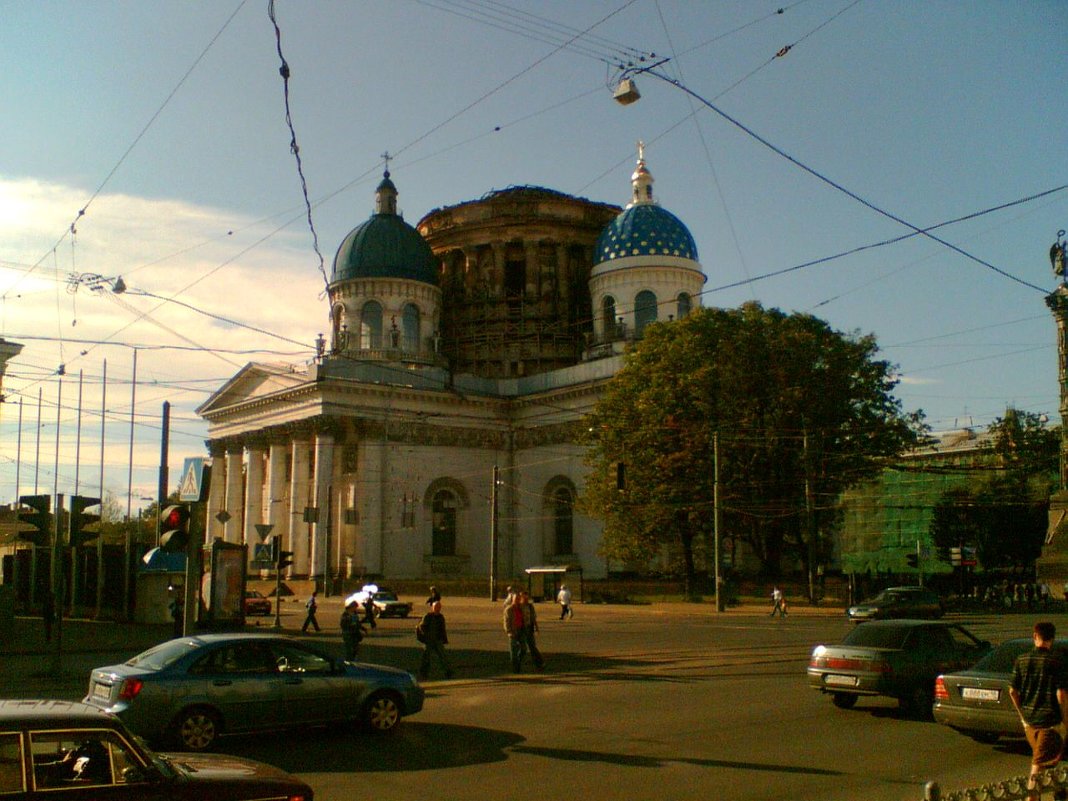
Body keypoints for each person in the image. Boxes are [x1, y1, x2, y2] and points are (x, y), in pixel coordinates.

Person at [1009, 621, 1068, 801]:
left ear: (1035, 636)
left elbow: (1013, 691)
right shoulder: (1057, 661)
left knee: (1047, 761)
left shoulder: (1022, 659)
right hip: (1049, 724)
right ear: (1052, 639)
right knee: (1037, 768)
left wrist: (1022, 716)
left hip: (1030, 725)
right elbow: (1061, 694)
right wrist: (1066, 721)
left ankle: (1058, 791)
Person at [416, 600, 453, 679]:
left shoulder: (441, 617)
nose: (437, 608)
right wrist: (426, 636)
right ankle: (424, 673)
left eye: (439, 607)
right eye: (436, 607)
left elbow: (443, 629)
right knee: (426, 658)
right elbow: (421, 626)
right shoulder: (428, 616)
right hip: (429, 641)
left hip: (438, 640)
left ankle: (448, 672)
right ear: (432, 608)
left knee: (443, 657)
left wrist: (444, 639)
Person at [518, 590, 544, 671]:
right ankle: (517, 662)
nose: (525, 599)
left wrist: (536, 628)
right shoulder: (518, 606)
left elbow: (533, 618)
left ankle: (539, 663)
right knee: (522, 647)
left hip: (529, 628)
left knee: (532, 646)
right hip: (521, 628)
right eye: (523, 597)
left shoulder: (530, 606)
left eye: (526, 597)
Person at [503, 591, 528, 672]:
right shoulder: (509, 609)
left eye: (518, 599)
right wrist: (509, 632)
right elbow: (506, 622)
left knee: (524, 649)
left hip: (521, 630)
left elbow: (525, 618)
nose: (517, 600)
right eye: (515, 599)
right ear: (512, 600)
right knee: (513, 650)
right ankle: (515, 667)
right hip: (513, 631)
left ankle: (518, 662)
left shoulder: (521, 608)